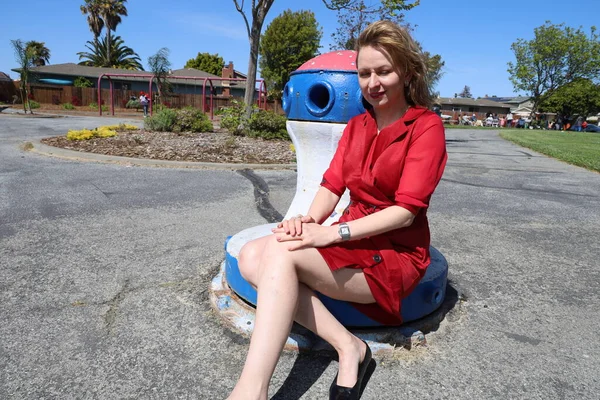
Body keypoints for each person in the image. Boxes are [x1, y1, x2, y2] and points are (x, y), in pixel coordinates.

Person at [226, 20, 447, 400]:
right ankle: (349, 346)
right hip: (351, 237)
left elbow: (406, 211)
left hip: (394, 253)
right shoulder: (358, 125)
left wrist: (331, 232)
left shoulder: (425, 127)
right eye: (364, 73)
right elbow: (332, 185)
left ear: (407, 71)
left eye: (384, 71)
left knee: (278, 253)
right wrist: (309, 220)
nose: (372, 83)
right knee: (250, 256)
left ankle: (251, 390)